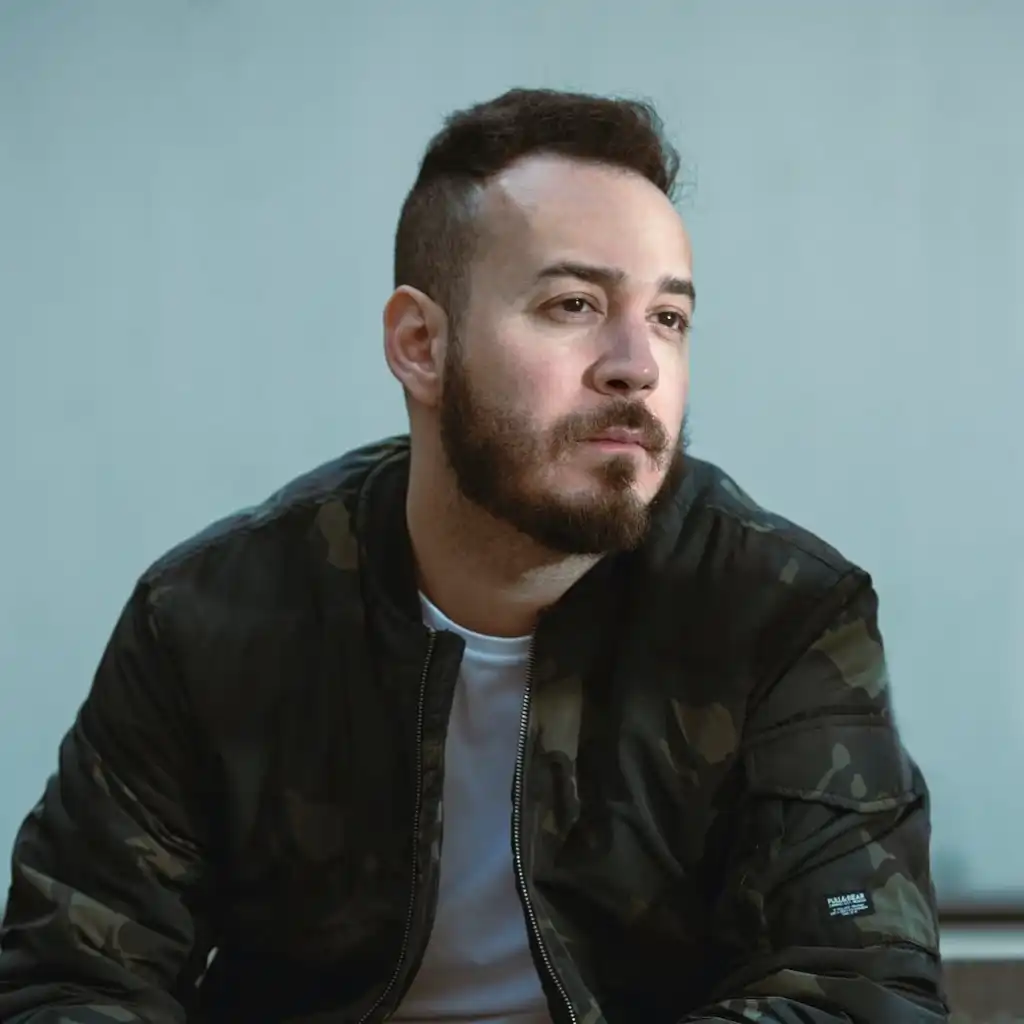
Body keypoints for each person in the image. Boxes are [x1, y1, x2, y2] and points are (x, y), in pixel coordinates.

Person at [0, 88, 947, 1024]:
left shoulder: (775, 614)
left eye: (668, 318)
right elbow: (69, 981)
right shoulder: (213, 620)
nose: (637, 365)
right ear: (420, 344)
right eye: (574, 304)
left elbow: (860, 993)